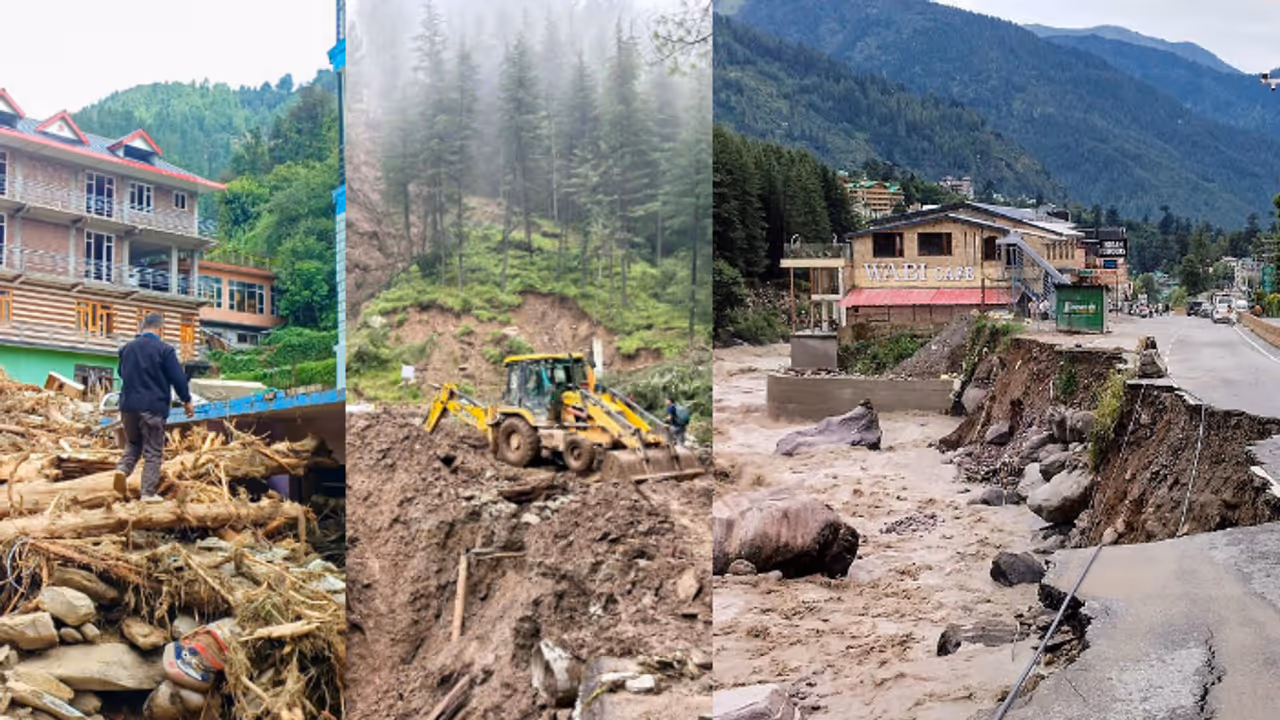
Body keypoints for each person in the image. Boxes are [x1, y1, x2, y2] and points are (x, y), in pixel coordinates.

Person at [112, 314, 194, 502]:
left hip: (128, 406)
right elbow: (178, 378)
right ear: (160, 329)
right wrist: (186, 400)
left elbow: (121, 373)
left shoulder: (126, 349)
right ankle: (148, 493)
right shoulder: (164, 350)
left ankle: (122, 470)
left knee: (133, 443)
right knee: (153, 451)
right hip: (152, 406)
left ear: (142, 328)